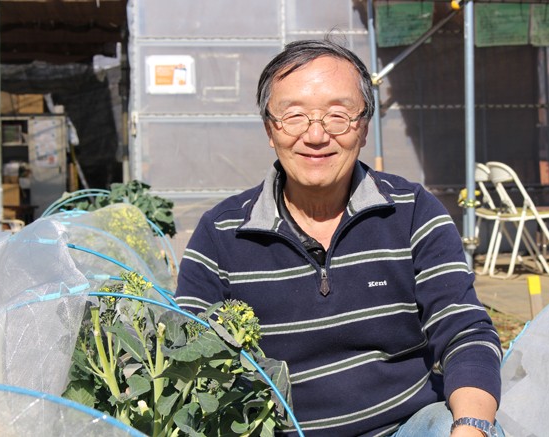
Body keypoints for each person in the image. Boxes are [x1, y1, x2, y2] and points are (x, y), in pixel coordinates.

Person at [176, 37, 503, 437]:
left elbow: (465, 331)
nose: (316, 136)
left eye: (338, 115)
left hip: (403, 427)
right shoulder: (221, 235)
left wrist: (470, 426)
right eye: (294, 116)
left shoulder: (413, 211)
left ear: (363, 127)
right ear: (270, 129)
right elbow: (185, 357)